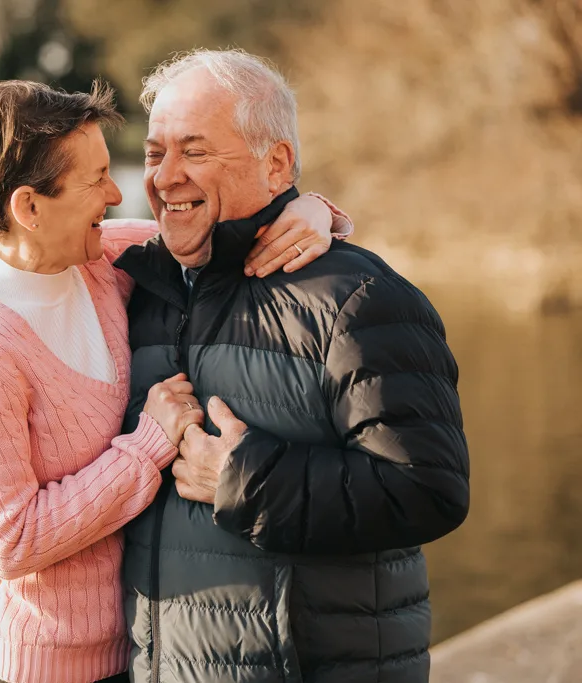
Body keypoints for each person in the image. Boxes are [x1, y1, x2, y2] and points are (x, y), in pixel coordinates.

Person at [0, 79, 354, 683]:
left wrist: (310, 211)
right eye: (95, 178)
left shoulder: (105, 260)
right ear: (29, 207)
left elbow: (219, 231)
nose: (118, 192)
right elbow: (5, 546)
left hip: (142, 652)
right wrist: (148, 443)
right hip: (42, 672)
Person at [114, 49, 471, 683]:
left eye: (195, 152)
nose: (166, 177)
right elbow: (27, 254)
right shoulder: (140, 289)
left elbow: (429, 490)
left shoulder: (361, 300)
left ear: (275, 162)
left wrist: (246, 480)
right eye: (153, 153)